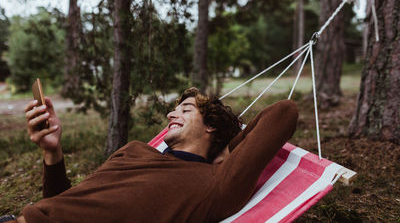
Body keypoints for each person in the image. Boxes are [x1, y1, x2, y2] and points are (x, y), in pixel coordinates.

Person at [5, 87, 298, 223]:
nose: (172, 113)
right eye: (175, 108)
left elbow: (283, 112)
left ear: (210, 126)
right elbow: (62, 202)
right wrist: (52, 150)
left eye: (186, 110)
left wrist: (228, 150)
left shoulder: (216, 184)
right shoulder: (134, 150)